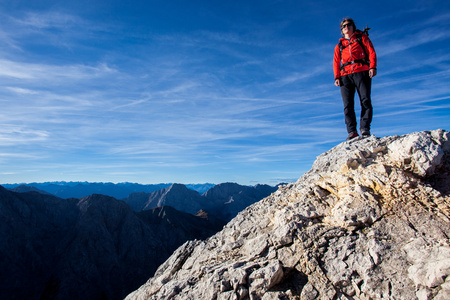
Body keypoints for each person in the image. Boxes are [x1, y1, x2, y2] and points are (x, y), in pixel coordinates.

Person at [333, 18, 377, 141]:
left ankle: (365, 128)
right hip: (345, 75)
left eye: (349, 25)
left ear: (353, 26)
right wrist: (337, 76)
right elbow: (336, 61)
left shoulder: (362, 38)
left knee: (365, 100)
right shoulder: (339, 45)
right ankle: (352, 131)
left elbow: (371, 51)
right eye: (343, 26)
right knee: (348, 105)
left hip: (361, 71)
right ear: (342, 30)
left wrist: (372, 67)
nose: (346, 27)